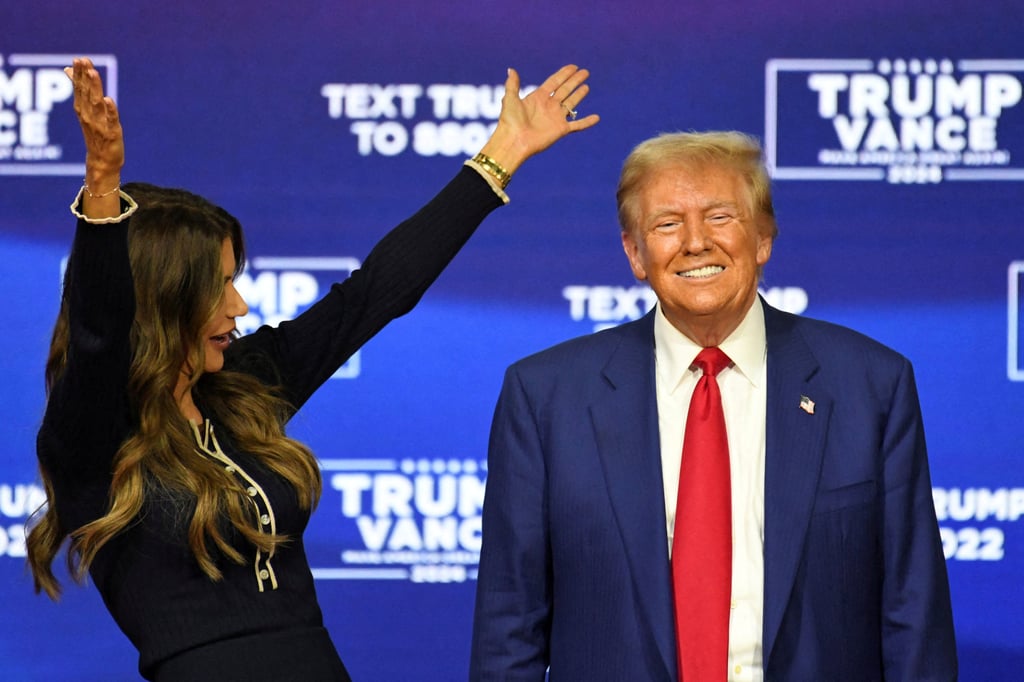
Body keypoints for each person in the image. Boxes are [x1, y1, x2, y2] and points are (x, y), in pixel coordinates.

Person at [27, 57, 598, 681]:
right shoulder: (91, 435)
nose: (239, 306)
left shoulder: (243, 385)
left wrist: (504, 150)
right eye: (217, 289)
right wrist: (105, 191)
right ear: (163, 301)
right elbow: (99, 333)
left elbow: (375, 293)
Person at [469, 131, 957, 681]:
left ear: (764, 238)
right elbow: (508, 628)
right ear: (634, 253)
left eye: (721, 217)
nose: (696, 242)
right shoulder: (544, 396)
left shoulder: (870, 385)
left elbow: (914, 616)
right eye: (667, 224)